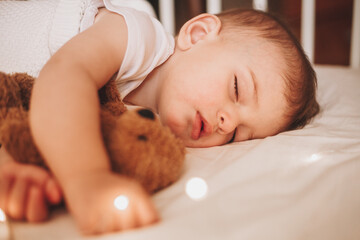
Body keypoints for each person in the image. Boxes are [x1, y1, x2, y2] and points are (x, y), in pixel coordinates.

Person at [0, 0, 319, 235]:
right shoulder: (138, 37)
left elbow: (39, 109)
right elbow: (63, 79)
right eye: (236, 89)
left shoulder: (140, 126)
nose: (228, 122)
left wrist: (16, 163)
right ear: (197, 34)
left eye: (239, 134)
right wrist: (87, 177)